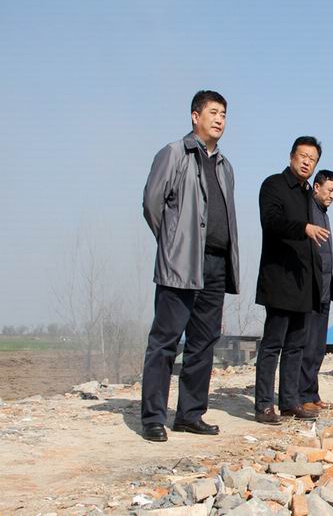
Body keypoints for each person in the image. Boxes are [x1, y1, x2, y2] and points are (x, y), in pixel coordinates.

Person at [140, 90, 240, 442]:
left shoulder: (225, 166)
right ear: (195, 116)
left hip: (215, 264)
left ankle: (190, 414)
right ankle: (153, 417)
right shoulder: (174, 153)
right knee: (165, 340)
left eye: (224, 114)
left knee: (203, 342)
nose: (219, 119)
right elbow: (152, 204)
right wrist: (172, 244)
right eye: (213, 112)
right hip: (181, 263)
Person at [254, 136, 328, 423]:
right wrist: (304, 228)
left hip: (303, 282)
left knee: (296, 345)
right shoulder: (273, 185)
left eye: (313, 159)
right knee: (273, 344)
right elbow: (271, 222)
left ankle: (289, 402)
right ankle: (263, 404)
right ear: (291, 157)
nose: (307, 162)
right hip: (279, 278)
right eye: (303, 156)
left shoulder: (308, 193)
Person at [299, 170, 333, 413]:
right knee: (307, 345)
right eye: (330, 190)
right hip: (311, 290)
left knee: (317, 347)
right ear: (316, 187)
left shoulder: (323, 214)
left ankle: (312, 393)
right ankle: (302, 394)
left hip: (325, 289)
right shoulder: (307, 209)